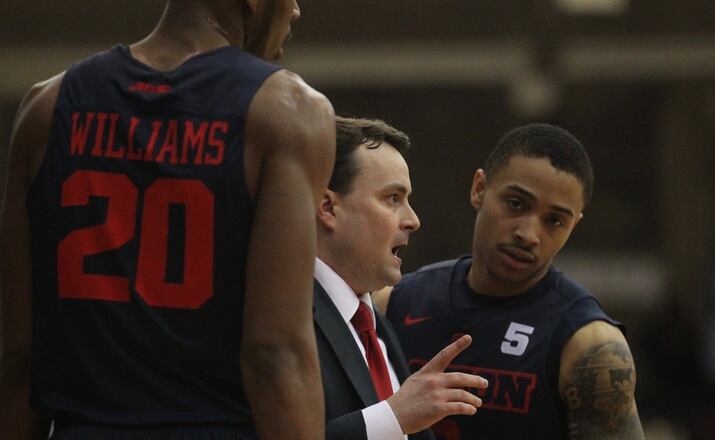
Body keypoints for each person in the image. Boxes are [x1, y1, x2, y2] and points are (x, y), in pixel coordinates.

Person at [0, 1, 335, 439]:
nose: (295, 8)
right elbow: (274, 354)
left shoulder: (45, 107)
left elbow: (19, 359)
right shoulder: (288, 112)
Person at [377, 123, 646, 439]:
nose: (528, 235)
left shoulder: (591, 347)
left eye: (554, 221)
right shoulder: (393, 302)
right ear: (479, 188)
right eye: (516, 204)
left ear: (574, 225)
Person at [314, 116, 488, 440]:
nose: (413, 220)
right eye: (393, 198)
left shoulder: (375, 322)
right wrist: (393, 418)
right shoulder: (276, 314)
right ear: (328, 206)